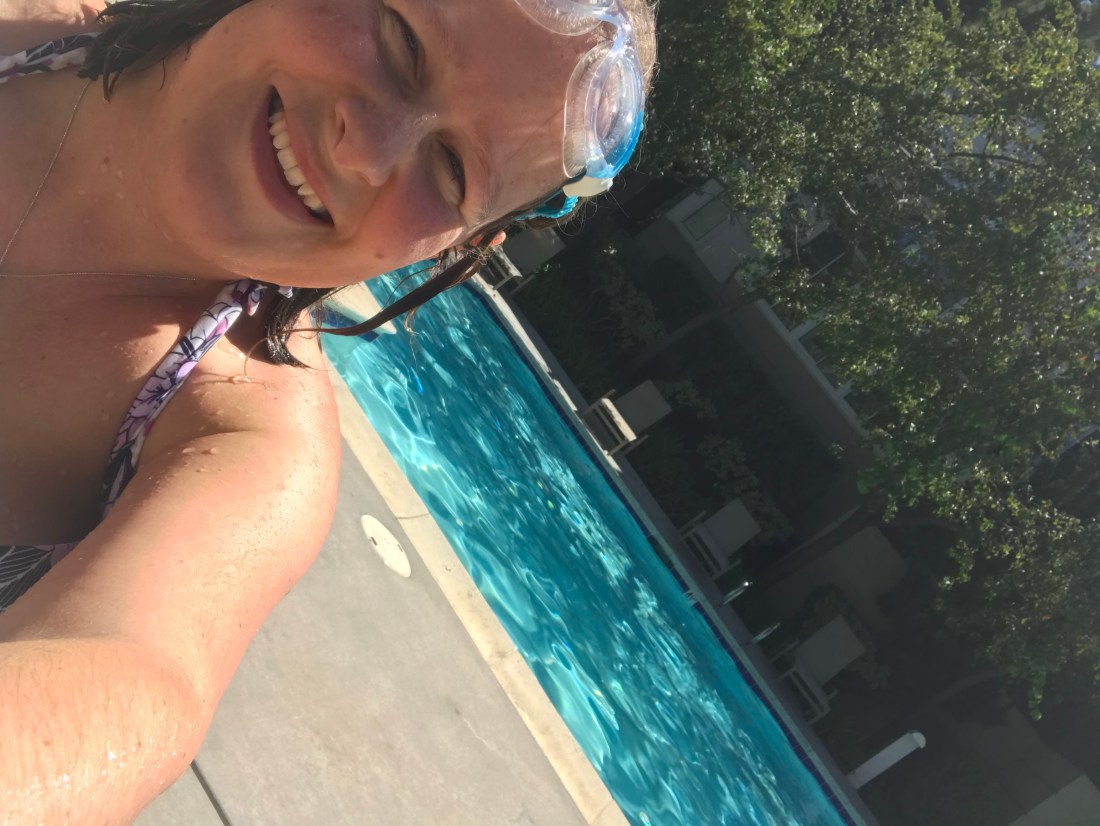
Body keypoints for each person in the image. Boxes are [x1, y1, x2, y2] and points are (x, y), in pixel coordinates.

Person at [0, 0, 656, 820]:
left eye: (451, 170)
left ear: (460, 246)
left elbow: (135, 672)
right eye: (401, 42)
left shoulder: (241, 439)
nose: (367, 152)